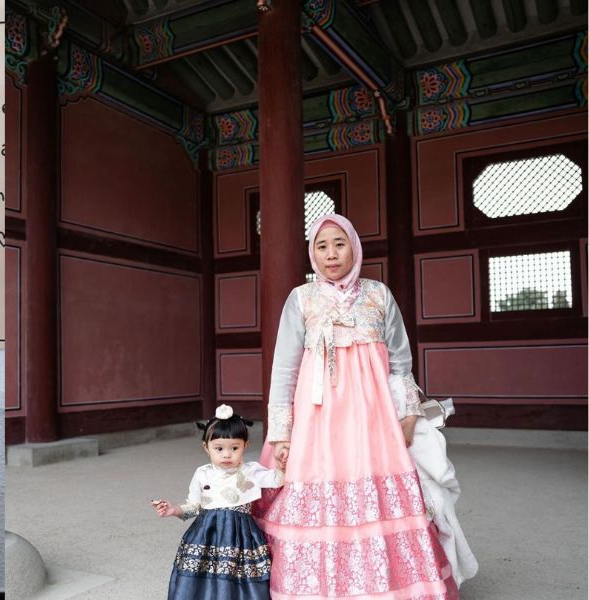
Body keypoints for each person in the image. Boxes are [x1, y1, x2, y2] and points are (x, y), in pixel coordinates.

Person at [259, 213, 459, 598]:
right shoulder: (301, 299)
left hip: (373, 416)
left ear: (354, 246)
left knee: (380, 495)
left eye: (339, 243)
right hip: (317, 418)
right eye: (321, 246)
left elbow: (401, 361)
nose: (331, 254)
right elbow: (284, 368)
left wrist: (408, 412)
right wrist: (281, 431)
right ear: (312, 254)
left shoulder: (378, 294)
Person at [152, 404, 285, 600]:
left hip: (242, 537)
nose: (226, 454)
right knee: (202, 578)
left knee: (241, 579)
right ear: (206, 447)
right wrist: (173, 509)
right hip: (206, 535)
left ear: (245, 445)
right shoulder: (202, 473)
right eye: (219, 448)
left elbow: (277, 480)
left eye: (234, 447)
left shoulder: (251, 470)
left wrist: (282, 466)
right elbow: (194, 506)